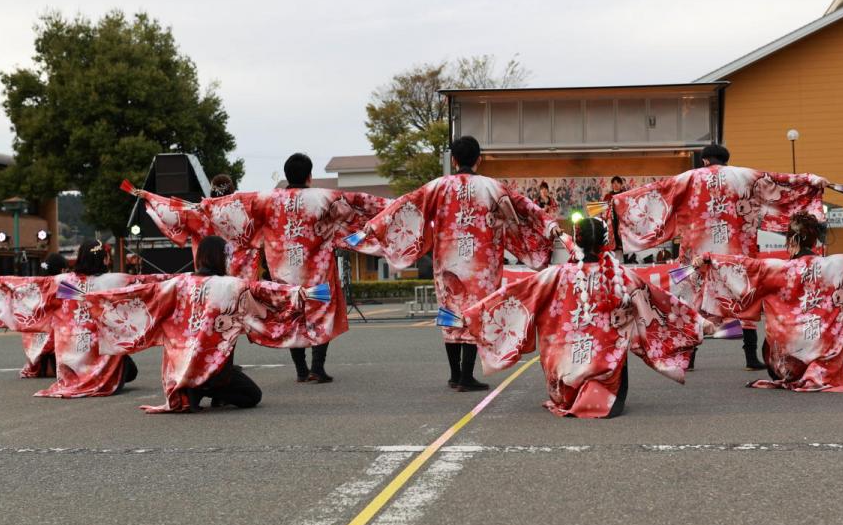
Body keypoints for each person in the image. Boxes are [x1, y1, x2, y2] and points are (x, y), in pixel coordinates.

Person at [350, 135, 559, 392]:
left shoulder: (438, 186)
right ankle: (466, 377)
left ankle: (454, 375)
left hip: (447, 261)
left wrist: (371, 227)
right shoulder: (493, 187)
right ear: (479, 160)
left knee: (450, 314)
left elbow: (404, 206)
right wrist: (551, 228)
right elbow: (526, 211)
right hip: (482, 265)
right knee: (475, 312)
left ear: (453, 159)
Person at [613, 143, 828, 371]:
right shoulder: (743, 176)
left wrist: (618, 201)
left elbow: (657, 191)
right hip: (738, 253)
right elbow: (778, 181)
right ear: (726, 159)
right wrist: (811, 181)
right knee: (745, 298)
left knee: (694, 303)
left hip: (697, 255)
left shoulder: (689, 178)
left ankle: (690, 357)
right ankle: (750, 357)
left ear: (705, 160)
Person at [462, 217, 702, 417]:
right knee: (617, 339)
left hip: (565, 374)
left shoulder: (556, 274)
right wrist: (698, 322)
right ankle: (599, 395)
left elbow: (518, 293)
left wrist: (474, 315)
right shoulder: (620, 275)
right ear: (605, 242)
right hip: (607, 371)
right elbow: (657, 298)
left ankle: (572, 395)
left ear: (577, 241)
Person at [80, 236, 326, 413]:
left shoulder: (178, 284)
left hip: (181, 369)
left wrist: (90, 298)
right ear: (222, 258)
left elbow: (143, 291)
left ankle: (193, 387)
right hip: (215, 368)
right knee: (252, 396)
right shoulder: (229, 285)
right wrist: (305, 293)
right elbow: (264, 290)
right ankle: (211, 388)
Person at [697, 213, 843, 392]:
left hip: (788, 354)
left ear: (792, 240)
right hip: (825, 346)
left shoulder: (778, 268)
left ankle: (795, 369)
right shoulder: (836, 264)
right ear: (814, 240)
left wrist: (710, 258)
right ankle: (825, 367)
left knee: (781, 330)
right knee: (833, 326)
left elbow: (743, 265)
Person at [252, 153, 387, 383]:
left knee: (293, 316)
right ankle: (317, 368)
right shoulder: (324, 197)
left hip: (284, 275)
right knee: (321, 316)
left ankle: (301, 370)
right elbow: (361, 204)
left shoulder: (267, 200)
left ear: (287, 175)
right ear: (309, 176)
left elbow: (237, 209)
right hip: (318, 274)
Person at [0, 240, 160, 397]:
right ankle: (101, 376)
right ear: (103, 258)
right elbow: (151, 285)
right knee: (129, 370)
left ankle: (78, 377)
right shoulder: (114, 281)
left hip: (72, 354)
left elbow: (27, 287)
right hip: (101, 352)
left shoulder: (62, 282)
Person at [124, 172, 263, 279]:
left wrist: (149, 196)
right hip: (243, 275)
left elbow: (171, 211)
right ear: (232, 190)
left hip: (208, 277)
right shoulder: (247, 209)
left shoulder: (201, 211)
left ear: (212, 191)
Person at [17, 252, 68, 379]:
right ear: (62, 270)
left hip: (36, 334)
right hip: (53, 332)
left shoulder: (35, 285)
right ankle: (54, 365)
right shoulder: (61, 285)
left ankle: (41, 366)